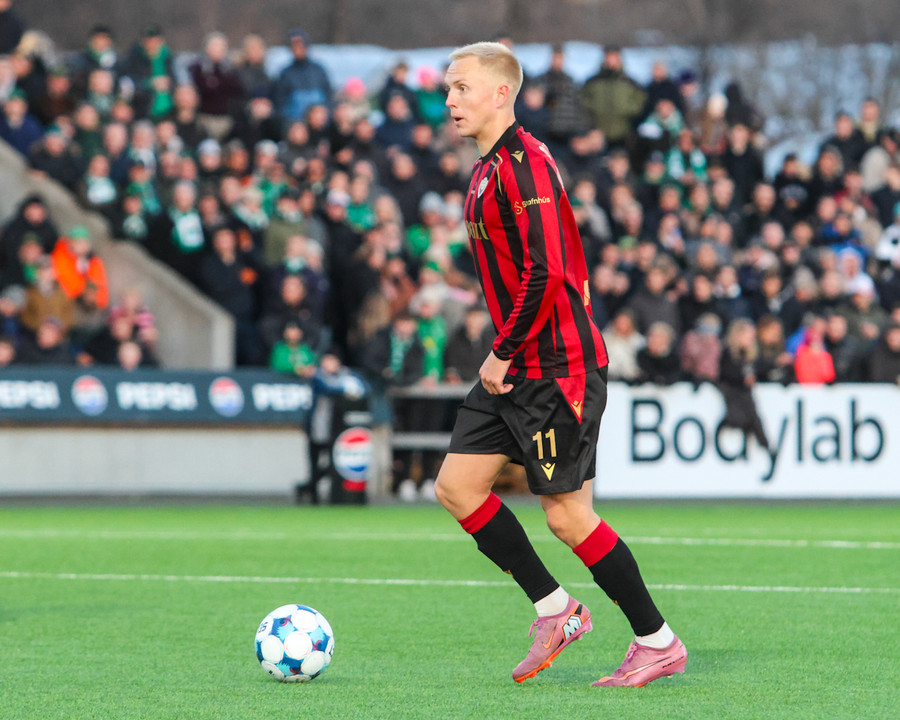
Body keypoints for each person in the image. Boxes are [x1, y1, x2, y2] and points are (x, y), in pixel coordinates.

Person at [436, 41, 686, 688]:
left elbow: (547, 272)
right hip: (518, 361)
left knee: (568, 516)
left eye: (461, 87)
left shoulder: (525, 166)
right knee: (458, 487)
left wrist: (501, 351)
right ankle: (556, 610)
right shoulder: (487, 168)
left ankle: (657, 641)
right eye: (448, 88)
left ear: (501, 93)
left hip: (555, 364)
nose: (450, 100)